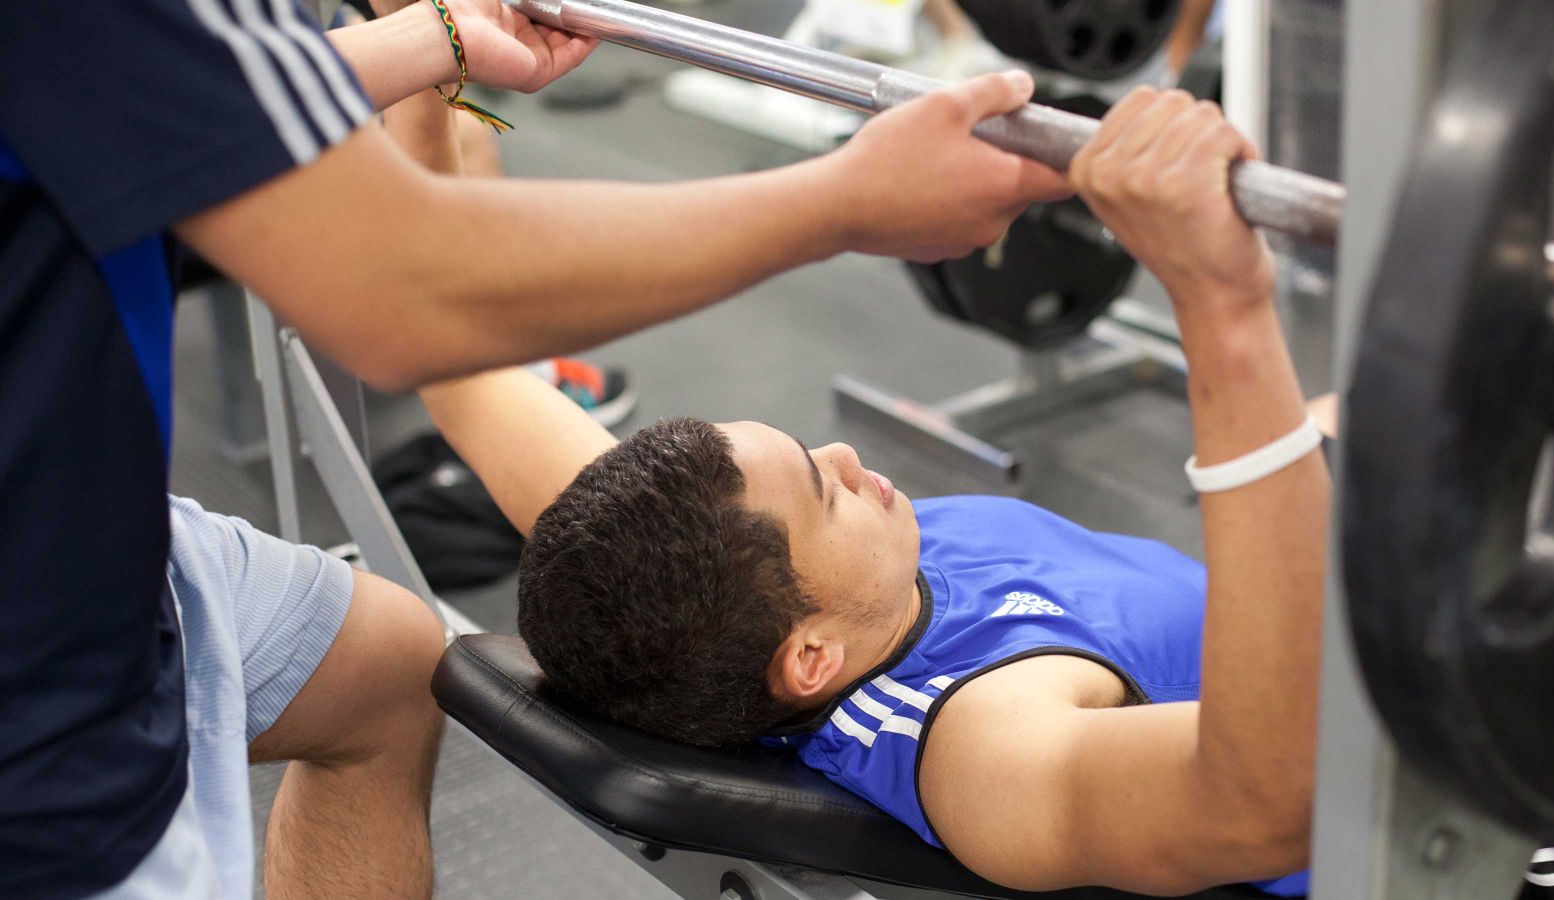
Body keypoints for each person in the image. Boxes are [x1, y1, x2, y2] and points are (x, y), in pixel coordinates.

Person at [0, 1, 1069, 897]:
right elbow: (402, 296)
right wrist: (849, 201)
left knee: (380, 661)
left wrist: (438, 39)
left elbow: (167, 97)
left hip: (107, 522)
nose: (841, 458)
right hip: (38, 699)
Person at [419, 86, 1326, 896]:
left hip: (1330, 633)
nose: (848, 455)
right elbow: (1262, 804)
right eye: (825, 492)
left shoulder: (657, 569)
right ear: (812, 656)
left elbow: (457, 359)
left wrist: (431, 64)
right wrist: (1223, 306)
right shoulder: (979, 738)